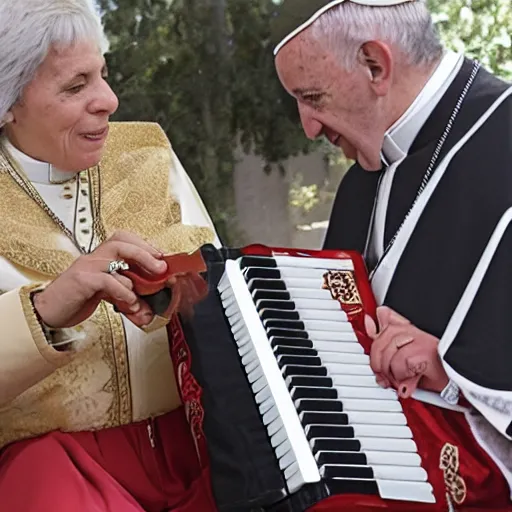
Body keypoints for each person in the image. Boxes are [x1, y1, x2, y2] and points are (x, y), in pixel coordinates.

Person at [273, 0, 512, 509]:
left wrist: (452, 374)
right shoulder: (364, 178)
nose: (309, 127)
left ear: (375, 65)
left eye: (312, 97)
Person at [0, 1, 221, 510]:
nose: (109, 100)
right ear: (9, 101)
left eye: (103, 73)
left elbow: (211, 281)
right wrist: (45, 311)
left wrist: (174, 289)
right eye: (76, 86)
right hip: (54, 471)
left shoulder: (148, 151)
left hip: (199, 442)